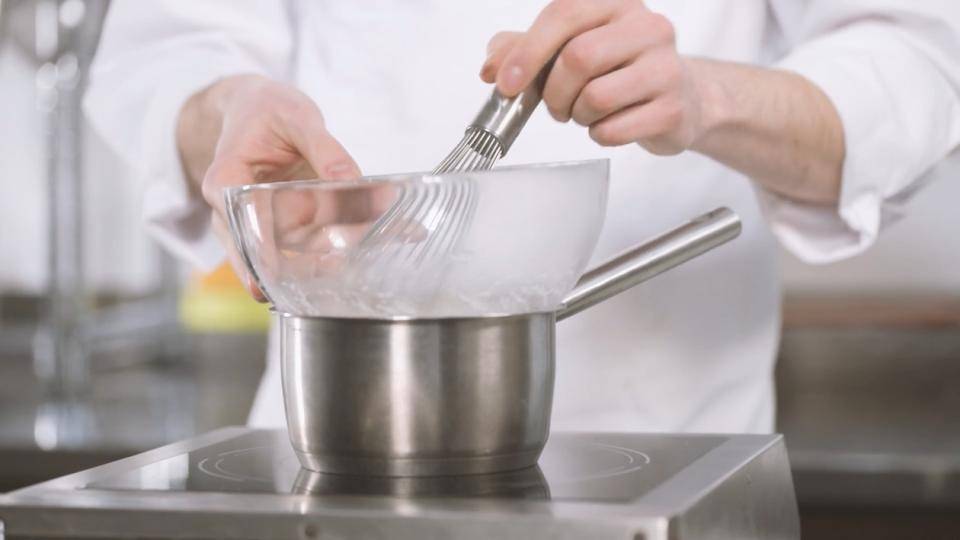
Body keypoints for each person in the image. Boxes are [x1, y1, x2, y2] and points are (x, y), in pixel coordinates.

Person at [85, 1, 960, 433]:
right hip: (323, 455)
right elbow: (166, 49)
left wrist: (706, 95)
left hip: (669, 455)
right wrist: (228, 110)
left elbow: (919, 62)